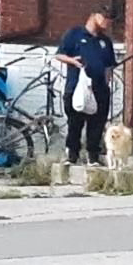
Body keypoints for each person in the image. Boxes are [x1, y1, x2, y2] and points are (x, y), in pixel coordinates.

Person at [54, 11, 117, 166]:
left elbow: (109, 65)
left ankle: (93, 156)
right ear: (94, 16)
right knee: (75, 121)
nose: (107, 23)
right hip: (77, 86)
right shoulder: (74, 34)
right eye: (104, 18)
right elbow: (59, 55)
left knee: (97, 122)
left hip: (99, 88)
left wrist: (107, 82)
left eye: (110, 20)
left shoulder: (105, 41)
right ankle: (72, 155)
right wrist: (73, 62)